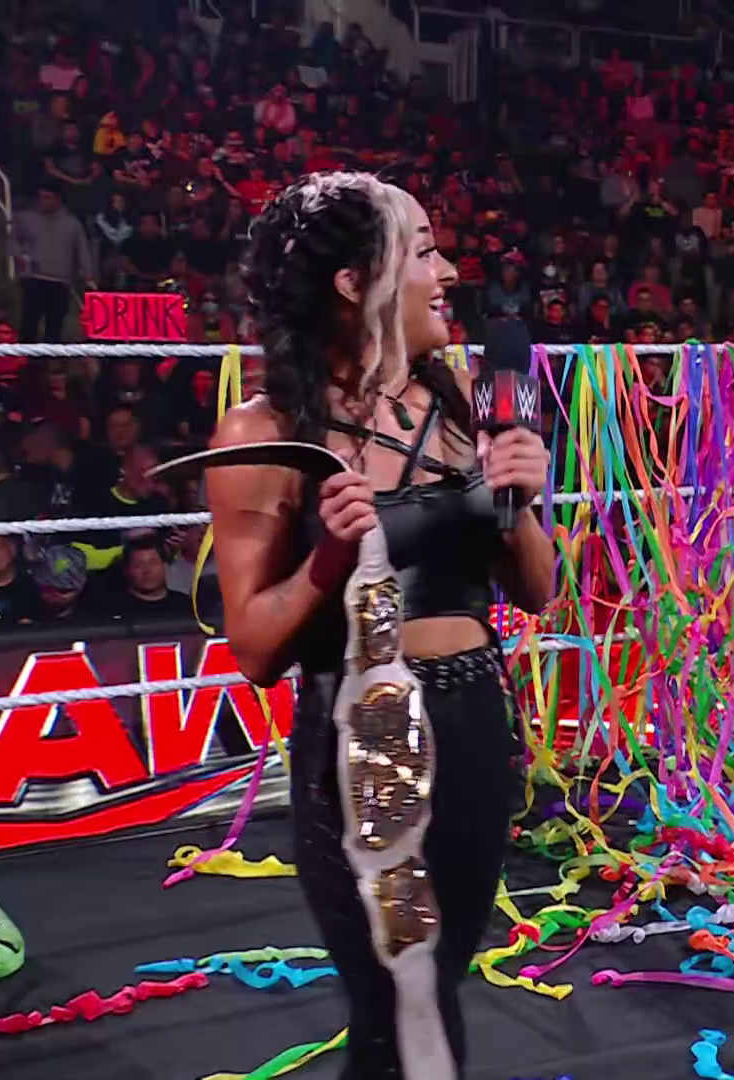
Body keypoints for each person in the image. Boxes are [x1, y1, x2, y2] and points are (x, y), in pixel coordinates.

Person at [206, 171, 555, 1080]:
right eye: (425, 252)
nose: (449, 273)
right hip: (365, 731)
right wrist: (328, 558)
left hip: (475, 718)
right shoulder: (266, 431)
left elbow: (538, 592)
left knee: (440, 982)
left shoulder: (468, 401)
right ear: (354, 283)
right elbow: (254, 649)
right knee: (395, 1000)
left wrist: (522, 501)